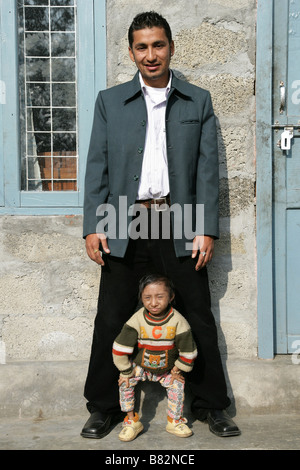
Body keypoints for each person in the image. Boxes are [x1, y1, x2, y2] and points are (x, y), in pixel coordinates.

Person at [81, 11, 241, 439]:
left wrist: (206, 228)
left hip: (180, 216)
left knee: (197, 314)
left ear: (171, 47)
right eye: (141, 46)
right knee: (112, 314)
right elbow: (97, 166)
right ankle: (103, 407)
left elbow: (208, 171)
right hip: (122, 216)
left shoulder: (197, 100)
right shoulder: (109, 101)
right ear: (131, 51)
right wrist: (93, 226)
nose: (150, 55)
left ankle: (211, 406)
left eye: (158, 45)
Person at [113, 274, 197, 441]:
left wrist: (178, 367)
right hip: (141, 367)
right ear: (141, 298)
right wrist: (125, 370)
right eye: (147, 298)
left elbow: (189, 350)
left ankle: (174, 420)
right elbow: (120, 347)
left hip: (167, 370)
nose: (153, 303)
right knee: (125, 382)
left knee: (178, 384)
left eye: (160, 297)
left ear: (171, 297)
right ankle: (131, 420)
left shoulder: (178, 321)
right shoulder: (137, 319)